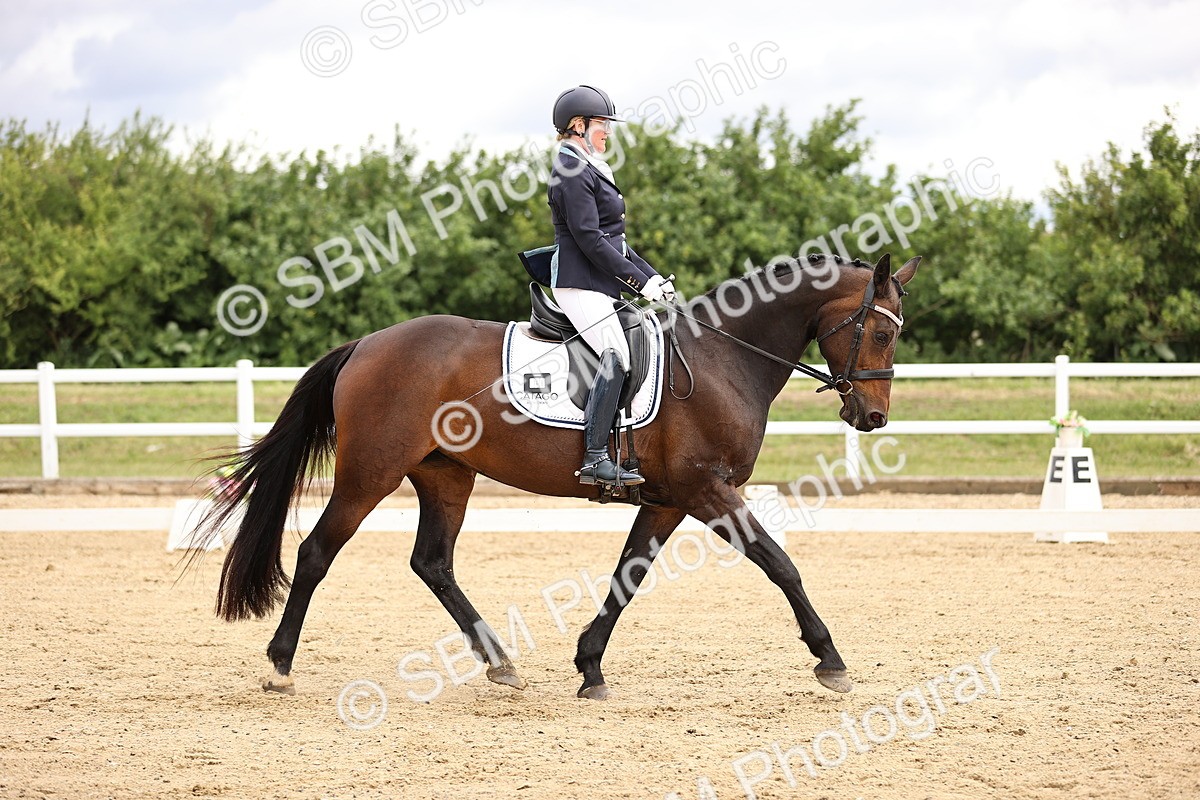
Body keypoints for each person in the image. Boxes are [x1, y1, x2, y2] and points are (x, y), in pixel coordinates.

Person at [547, 84, 675, 487]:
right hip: (579, 284)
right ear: (578, 125)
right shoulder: (570, 169)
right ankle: (594, 459)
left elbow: (616, 242)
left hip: (600, 284)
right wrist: (638, 283)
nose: (608, 132)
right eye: (602, 124)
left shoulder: (591, 167)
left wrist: (651, 277)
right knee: (615, 353)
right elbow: (589, 238)